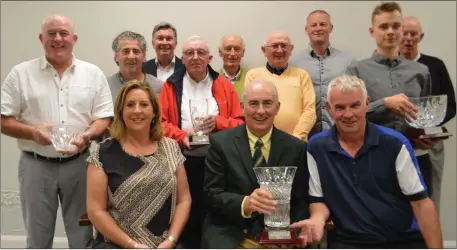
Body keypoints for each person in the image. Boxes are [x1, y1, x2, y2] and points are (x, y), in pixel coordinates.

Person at [290, 75, 443, 249]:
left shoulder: (394, 143)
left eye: (355, 105)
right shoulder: (316, 147)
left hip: (402, 240)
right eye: (340, 107)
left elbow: (421, 202)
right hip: (347, 241)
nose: (348, 114)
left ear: (367, 104)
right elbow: (318, 199)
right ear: (329, 108)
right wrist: (317, 219)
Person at [0, 14, 113, 248]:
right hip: (35, 166)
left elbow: (104, 117)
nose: (58, 39)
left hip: (80, 165)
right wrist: (32, 132)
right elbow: (4, 120)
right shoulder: (20, 74)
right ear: (41, 38)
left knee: (82, 235)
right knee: (38, 237)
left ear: (74, 38)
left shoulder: (93, 74)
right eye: (51, 34)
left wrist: (88, 135)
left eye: (63, 33)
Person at [201, 79, 309, 248]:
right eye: (253, 104)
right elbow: (211, 194)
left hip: (279, 237)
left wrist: (288, 236)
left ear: (277, 107)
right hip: (232, 235)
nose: (260, 111)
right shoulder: (221, 143)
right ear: (242, 107)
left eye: (267, 103)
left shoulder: (296, 148)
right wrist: (245, 203)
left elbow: (301, 201)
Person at [159, 35, 245, 248]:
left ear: (210, 57)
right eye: (190, 53)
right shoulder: (170, 86)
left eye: (200, 53)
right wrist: (182, 136)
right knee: (187, 216)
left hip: (219, 164)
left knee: (216, 216)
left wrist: (218, 123)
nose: (195, 57)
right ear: (182, 58)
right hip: (183, 161)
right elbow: (159, 124)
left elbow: (240, 123)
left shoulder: (223, 84)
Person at [86, 80, 191, 249]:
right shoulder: (102, 152)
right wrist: (132, 245)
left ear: (155, 112)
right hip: (116, 245)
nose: (137, 111)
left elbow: (183, 200)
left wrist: (171, 240)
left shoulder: (171, 147)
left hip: (165, 245)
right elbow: (96, 211)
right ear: (120, 111)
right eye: (130, 105)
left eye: (144, 104)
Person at [345, 2, 434, 196]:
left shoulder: (421, 71)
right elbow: (347, 114)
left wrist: (426, 136)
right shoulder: (357, 70)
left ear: (402, 29)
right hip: (370, 156)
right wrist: (384, 103)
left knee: (415, 218)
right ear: (372, 31)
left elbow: (424, 116)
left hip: (412, 157)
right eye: (384, 27)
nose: (390, 31)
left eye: (396, 26)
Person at [400, 16, 457, 212]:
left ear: (420, 37)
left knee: (430, 196)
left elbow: (451, 104)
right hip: (398, 141)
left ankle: (430, 242)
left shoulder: (436, 65)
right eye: (404, 33)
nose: (408, 38)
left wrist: (429, 125)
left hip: (430, 143)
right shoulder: (388, 68)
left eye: (413, 34)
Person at [290, 9, 356, 137]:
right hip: (305, 134)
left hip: (340, 133)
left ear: (330, 28)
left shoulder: (348, 61)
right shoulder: (294, 63)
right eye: (313, 25)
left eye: (323, 24)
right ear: (306, 30)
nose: (318, 28)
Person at [246, 31, 316, 141]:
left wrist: (296, 138)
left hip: (297, 143)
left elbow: (310, 111)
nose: (279, 50)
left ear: (291, 49)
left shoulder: (302, 75)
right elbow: (250, 110)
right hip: (263, 143)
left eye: (284, 46)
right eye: (274, 46)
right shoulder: (253, 76)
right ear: (264, 50)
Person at [107, 30, 164, 101]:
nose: (131, 56)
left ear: (144, 56)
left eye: (136, 51)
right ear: (116, 57)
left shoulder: (159, 87)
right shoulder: (105, 86)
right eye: (126, 51)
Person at [218, 34, 249, 99]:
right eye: (228, 49)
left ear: (243, 52)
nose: (232, 54)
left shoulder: (250, 79)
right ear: (220, 52)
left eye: (237, 49)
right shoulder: (212, 79)